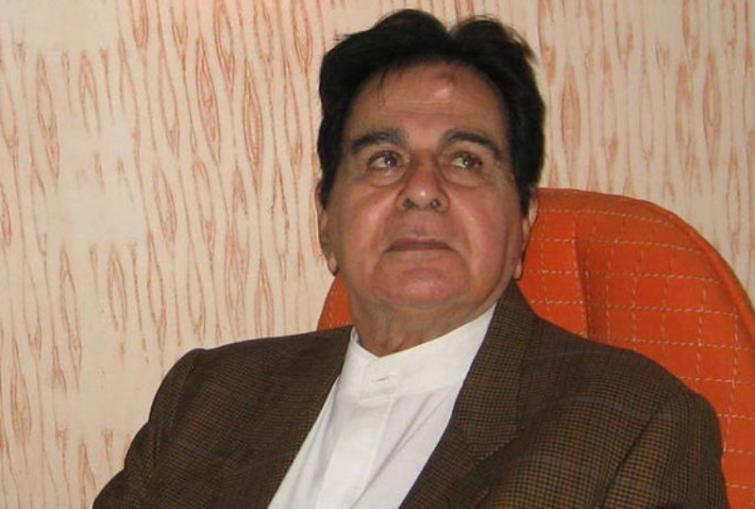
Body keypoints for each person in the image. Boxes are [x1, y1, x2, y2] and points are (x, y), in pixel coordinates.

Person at [94, 9, 727, 508]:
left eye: (465, 160)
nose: (422, 188)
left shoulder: (633, 428)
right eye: (384, 160)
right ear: (327, 221)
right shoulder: (206, 397)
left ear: (522, 226)